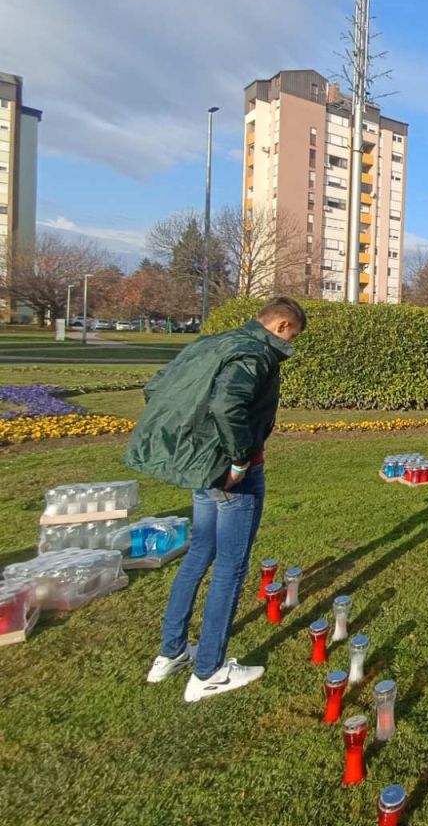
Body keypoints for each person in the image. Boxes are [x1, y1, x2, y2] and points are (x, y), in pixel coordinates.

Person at [125, 297, 306, 702]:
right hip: (231, 475)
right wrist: (239, 459)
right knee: (230, 567)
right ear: (280, 326)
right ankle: (209, 670)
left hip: (203, 470)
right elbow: (228, 404)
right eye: (292, 336)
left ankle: (171, 652)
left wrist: (196, 446)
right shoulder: (256, 354)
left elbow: (156, 387)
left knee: (198, 554)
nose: (290, 344)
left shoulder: (212, 343)